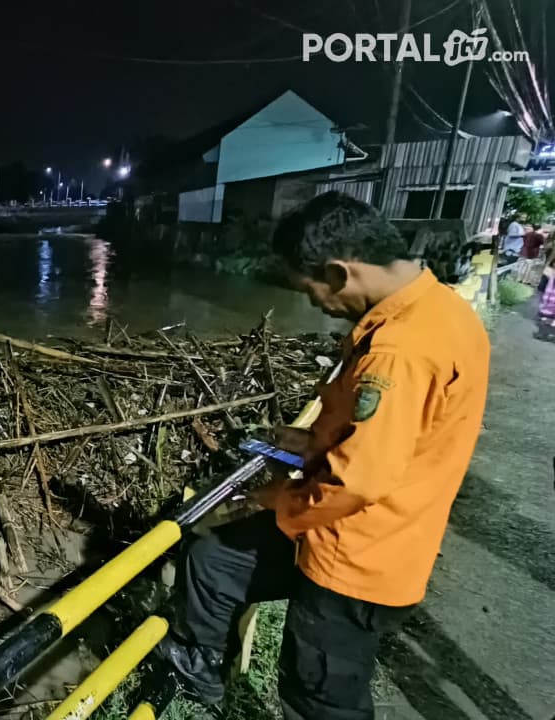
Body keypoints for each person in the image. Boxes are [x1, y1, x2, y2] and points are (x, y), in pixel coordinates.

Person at [154, 192, 490, 720]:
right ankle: (199, 671)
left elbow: (357, 484)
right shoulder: (442, 310)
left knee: (320, 698)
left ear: (338, 272)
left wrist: (280, 503)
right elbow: (401, 434)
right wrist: (314, 444)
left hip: (356, 558)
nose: (315, 305)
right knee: (214, 561)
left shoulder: (400, 350)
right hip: (352, 531)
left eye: (310, 290)